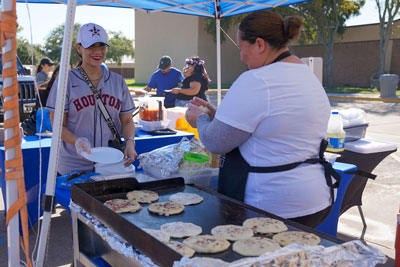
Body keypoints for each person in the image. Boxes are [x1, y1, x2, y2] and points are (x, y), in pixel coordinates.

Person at [185, 11, 339, 228]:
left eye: (241, 48)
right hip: (316, 200)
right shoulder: (307, 75)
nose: (241, 57)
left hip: (272, 207)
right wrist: (216, 117)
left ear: (259, 44)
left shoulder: (257, 79)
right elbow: (272, 127)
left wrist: (199, 119)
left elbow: (216, 142)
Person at [46, 23, 137, 175]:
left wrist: (130, 142)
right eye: (91, 46)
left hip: (110, 163)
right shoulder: (65, 81)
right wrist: (77, 141)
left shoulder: (118, 81)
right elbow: (57, 124)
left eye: (102, 46)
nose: (97, 51)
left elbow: (127, 120)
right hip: (74, 165)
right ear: (79, 48)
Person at [21, 66, 60, 136]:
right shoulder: (43, 92)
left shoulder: (72, 93)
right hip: (43, 133)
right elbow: (44, 116)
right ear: (56, 75)